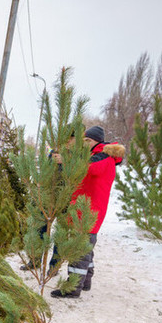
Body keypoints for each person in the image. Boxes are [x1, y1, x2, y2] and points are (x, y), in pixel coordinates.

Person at [50, 125, 125, 298]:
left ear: (93, 141)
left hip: (89, 210)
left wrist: (66, 161)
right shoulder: (98, 155)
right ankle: (85, 281)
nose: (83, 144)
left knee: (80, 248)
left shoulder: (103, 156)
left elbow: (89, 168)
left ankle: (72, 288)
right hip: (87, 208)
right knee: (86, 248)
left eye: (86, 141)